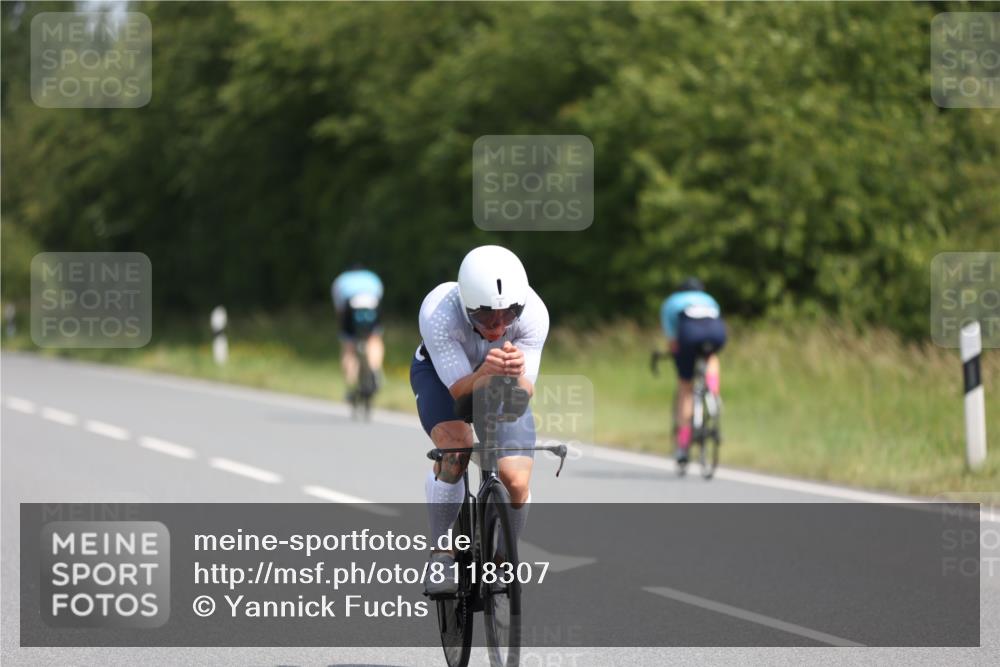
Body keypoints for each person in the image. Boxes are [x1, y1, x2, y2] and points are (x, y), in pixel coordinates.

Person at [411, 245, 549, 594]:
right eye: (485, 316)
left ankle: (504, 559)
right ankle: (441, 551)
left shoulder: (534, 314)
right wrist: (486, 371)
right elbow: (460, 391)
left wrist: (516, 376)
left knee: (516, 479)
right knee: (456, 450)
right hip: (443, 378)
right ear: (466, 305)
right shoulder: (439, 312)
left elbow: (523, 391)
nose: (498, 326)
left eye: (508, 314)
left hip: (499, 379)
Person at [659, 277, 727, 464]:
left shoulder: (672, 302)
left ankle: (682, 445)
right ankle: (713, 393)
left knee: (686, 388)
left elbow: (673, 339)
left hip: (689, 335)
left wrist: (676, 355)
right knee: (711, 356)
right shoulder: (709, 299)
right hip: (716, 333)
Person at [331, 265, 385, 399]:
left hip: (350, 306)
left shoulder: (341, 280)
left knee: (348, 348)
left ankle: (351, 386)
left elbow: (339, 310)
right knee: (374, 339)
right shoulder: (372, 277)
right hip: (372, 304)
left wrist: (344, 331)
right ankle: (374, 369)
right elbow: (379, 299)